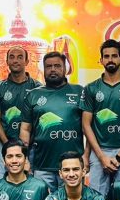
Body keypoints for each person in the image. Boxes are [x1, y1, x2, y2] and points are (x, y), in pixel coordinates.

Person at [81, 39, 120, 195]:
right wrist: (100, 156)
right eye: (106, 56)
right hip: (99, 152)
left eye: (114, 56)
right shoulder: (91, 88)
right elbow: (86, 125)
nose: (110, 59)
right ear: (101, 60)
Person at [20, 51, 88, 192]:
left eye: (57, 66)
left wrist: (86, 156)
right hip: (42, 166)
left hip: (72, 166)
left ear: (65, 68)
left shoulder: (79, 91)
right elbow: (25, 130)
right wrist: (25, 159)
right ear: (43, 69)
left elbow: (89, 128)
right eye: (48, 66)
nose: (52, 69)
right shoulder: (33, 95)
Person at [0, 46, 41, 180]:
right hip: (4, 144)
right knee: (1, 183)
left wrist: (26, 147)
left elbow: (38, 120)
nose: (15, 60)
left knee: (30, 183)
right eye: (11, 57)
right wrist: (7, 145)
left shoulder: (38, 88)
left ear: (27, 61)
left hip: (31, 147)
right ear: (7, 61)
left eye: (20, 57)